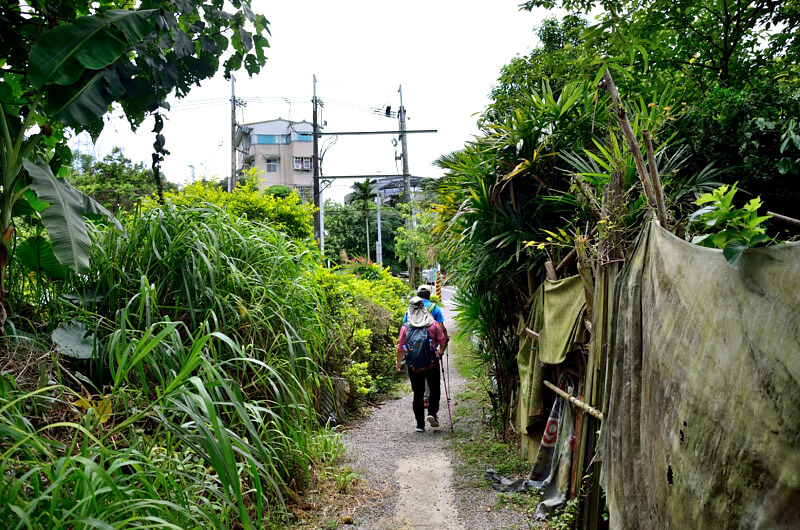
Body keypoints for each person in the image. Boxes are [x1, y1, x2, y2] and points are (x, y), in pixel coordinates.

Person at [396, 296, 446, 432]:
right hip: (432, 364)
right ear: (424, 309)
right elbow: (442, 340)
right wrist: (440, 352)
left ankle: (420, 425)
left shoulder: (405, 328)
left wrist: (399, 363)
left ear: (410, 310)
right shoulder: (433, 324)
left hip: (414, 366)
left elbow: (400, 347)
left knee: (418, 393)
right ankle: (432, 413)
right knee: (434, 389)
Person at [403, 285, 448, 408]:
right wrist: (443, 345)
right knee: (432, 378)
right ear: (429, 295)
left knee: (418, 384)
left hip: (414, 353)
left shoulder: (409, 309)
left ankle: (423, 400)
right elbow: (442, 328)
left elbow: (405, 327)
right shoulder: (435, 308)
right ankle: (429, 403)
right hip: (431, 349)